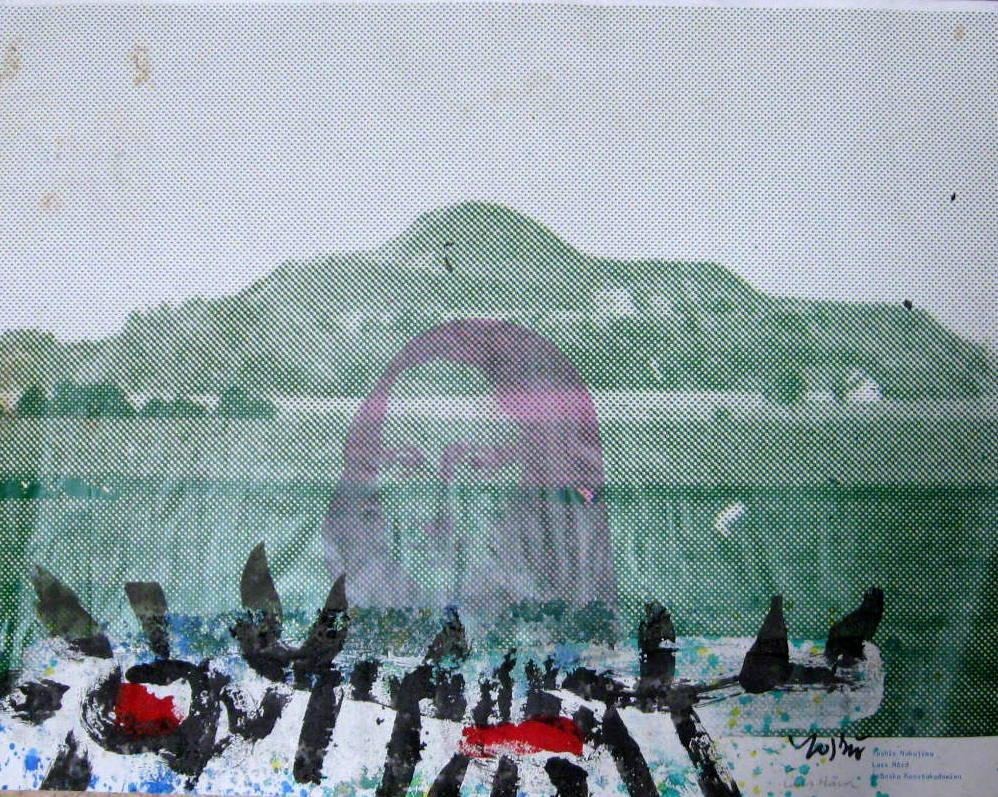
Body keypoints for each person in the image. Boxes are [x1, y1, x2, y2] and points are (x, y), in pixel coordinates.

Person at [322, 319, 616, 629]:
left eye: (473, 468)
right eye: (409, 467)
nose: (438, 512)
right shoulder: (354, 610)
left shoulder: (555, 621)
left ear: (515, 482)